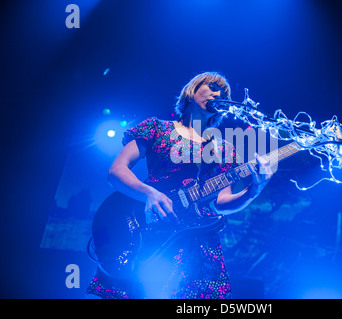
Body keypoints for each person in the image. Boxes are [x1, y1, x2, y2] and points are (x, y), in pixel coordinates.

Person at [86, 71, 272, 299]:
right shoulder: (157, 128)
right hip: (147, 229)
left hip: (197, 241)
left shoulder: (225, 150)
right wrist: (149, 193)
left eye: (223, 92)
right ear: (192, 90)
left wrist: (254, 189)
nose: (219, 94)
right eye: (213, 87)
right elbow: (116, 172)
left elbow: (221, 203)